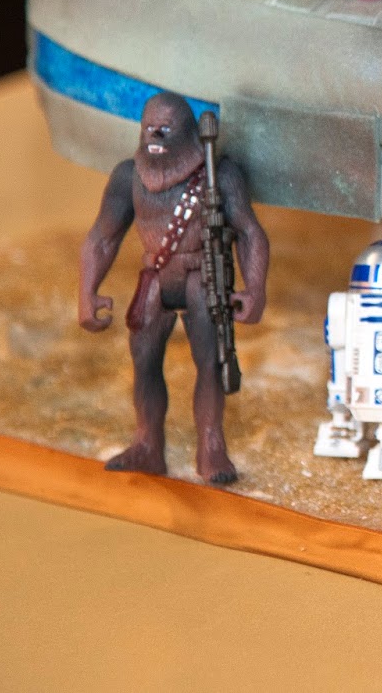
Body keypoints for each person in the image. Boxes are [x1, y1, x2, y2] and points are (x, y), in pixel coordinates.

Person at [78, 92, 269, 484]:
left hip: (202, 275)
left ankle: (211, 446)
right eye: (149, 127)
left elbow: (249, 231)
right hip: (155, 277)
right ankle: (147, 444)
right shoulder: (129, 176)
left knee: (210, 362)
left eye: (165, 129)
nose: (154, 136)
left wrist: (255, 289)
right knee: (144, 361)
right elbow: (102, 236)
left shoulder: (219, 174)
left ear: (188, 134)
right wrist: (87, 291)